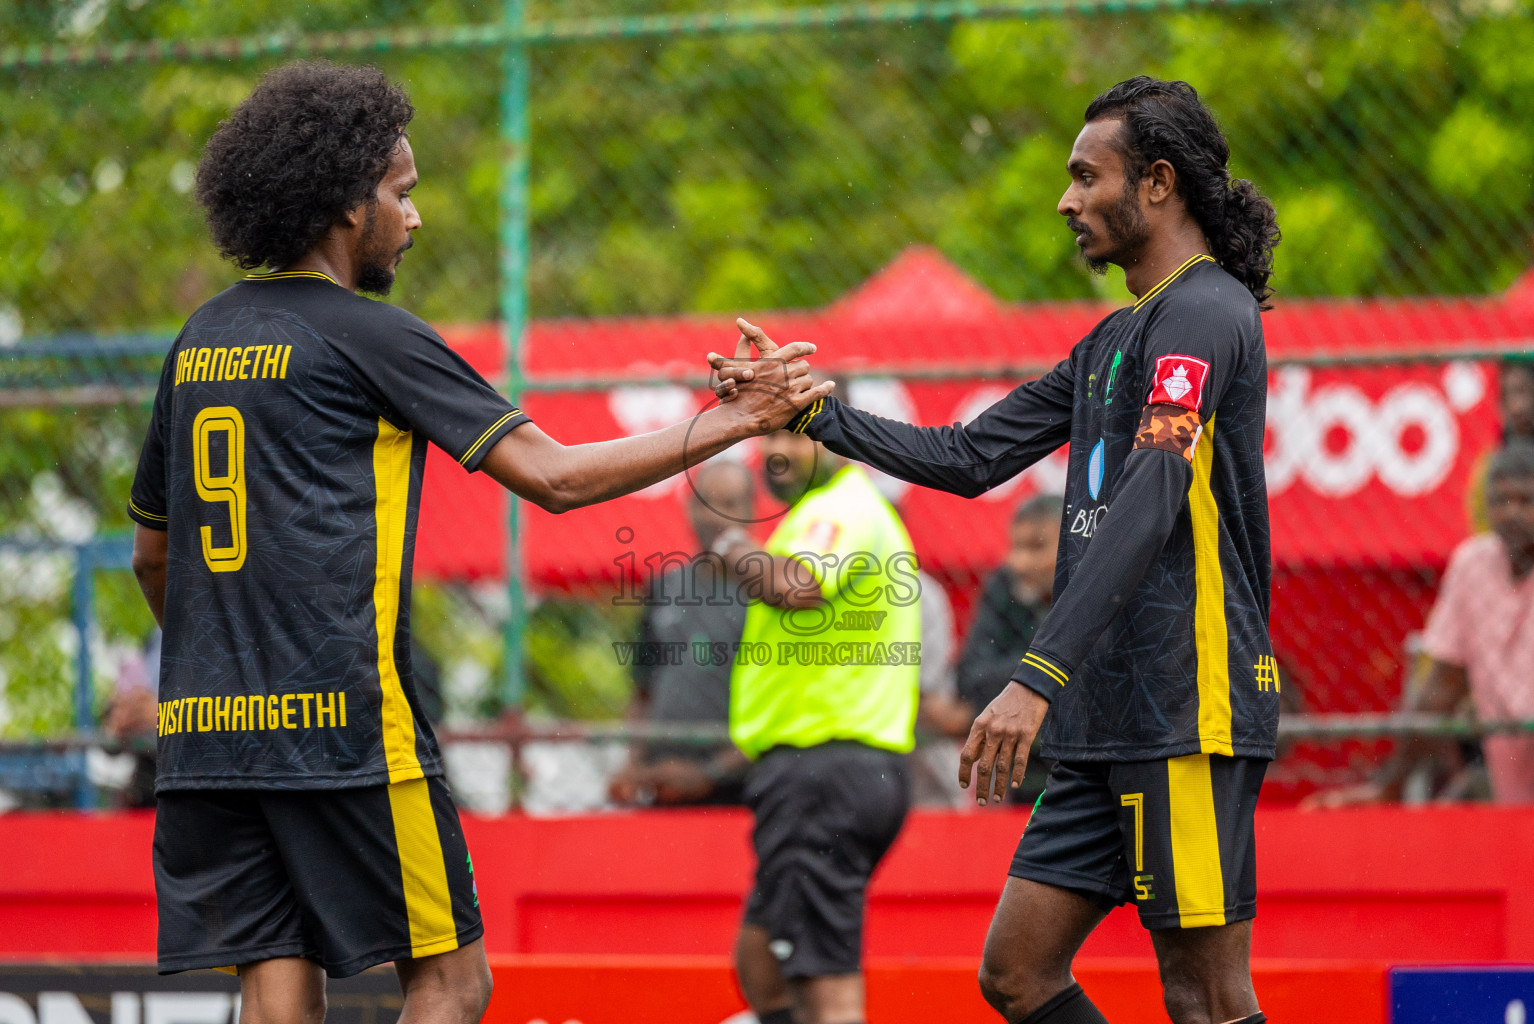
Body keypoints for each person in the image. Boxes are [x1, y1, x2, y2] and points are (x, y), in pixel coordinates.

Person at [125, 61, 828, 1024]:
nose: (414, 219)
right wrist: (735, 421)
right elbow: (557, 477)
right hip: (345, 726)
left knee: (277, 982)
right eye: (401, 194)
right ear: (343, 204)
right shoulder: (369, 335)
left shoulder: (198, 341)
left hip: (207, 737)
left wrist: (227, 671)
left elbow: (151, 557)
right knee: (453, 983)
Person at [719, 76, 1279, 1024]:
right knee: (1017, 974)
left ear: (1156, 183)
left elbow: (1151, 495)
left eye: (1083, 176)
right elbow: (971, 456)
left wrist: (1035, 676)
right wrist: (814, 412)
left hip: (1190, 703)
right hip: (1104, 717)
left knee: (1206, 997)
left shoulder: (1207, 312)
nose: (1065, 200)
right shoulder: (1111, 338)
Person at [718, 426, 920, 1024]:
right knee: (761, 960)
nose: (780, 452)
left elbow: (794, 586)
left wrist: (729, 545)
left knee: (822, 987)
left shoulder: (841, 509)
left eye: (801, 434)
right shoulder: (822, 512)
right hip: (827, 770)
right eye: (769, 436)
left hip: (826, 768)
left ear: (839, 438)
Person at [1311, 442, 1534, 807]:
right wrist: (1388, 789)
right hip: (1511, 788)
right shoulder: (1471, 566)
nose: (1513, 514)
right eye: (1502, 501)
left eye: (1526, 501)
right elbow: (1439, 691)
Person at [609, 458, 755, 807]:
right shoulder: (664, 587)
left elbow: (784, 709)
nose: (717, 516)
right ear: (690, 509)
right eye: (707, 503)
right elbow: (643, 687)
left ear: (751, 512)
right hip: (664, 788)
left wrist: (711, 773)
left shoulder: (770, 595)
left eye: (731, 504)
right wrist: (632, 766)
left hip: (740, 792)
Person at [952, 494, 1064, 802]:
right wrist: (1052, 671)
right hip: (1021, 768)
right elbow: (971, 679)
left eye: (1036, 547)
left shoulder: (1098, 590)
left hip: (1080, 762)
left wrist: (1019, 679)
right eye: (1016, 547)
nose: (1019, 562)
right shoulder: (1004, 586)